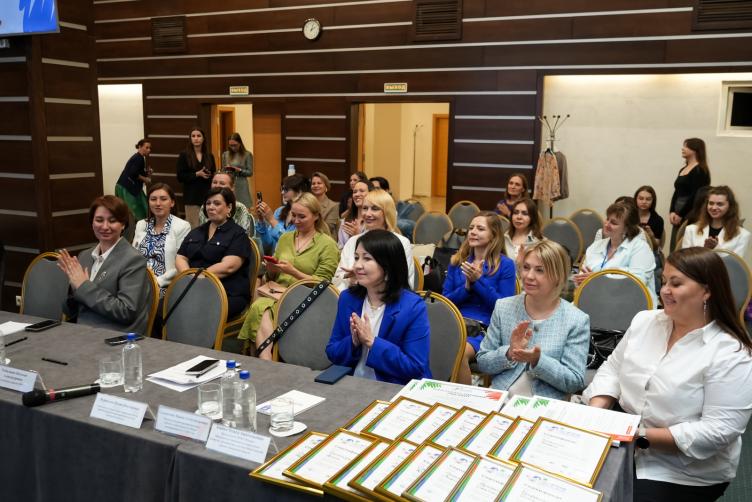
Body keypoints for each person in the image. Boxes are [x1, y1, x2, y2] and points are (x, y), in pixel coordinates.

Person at [584, 247, 752, 502]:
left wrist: (637, 435)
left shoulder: (731, 353)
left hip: (682, 469)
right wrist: (597, 412)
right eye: (664, 281)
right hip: (624, 436)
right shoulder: (645, 321)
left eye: (676, 283)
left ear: (707, 291)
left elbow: (718, 431)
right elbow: (613, 369)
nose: (664, 290)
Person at [475, 240, 590, 398]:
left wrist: (538, 361)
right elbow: (482, 362)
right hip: (500, 398)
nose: (528, 276)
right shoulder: (503, 307)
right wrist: (509, 353)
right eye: (526, 267)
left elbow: (574, 381)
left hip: (543, 405)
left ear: (558, 276)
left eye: (540, 270)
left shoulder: (576, 320)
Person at [240, 192, 339, 359]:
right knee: (261, 306)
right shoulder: (285, 238)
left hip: (307, 297)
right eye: (294, 215)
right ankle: (266, 360)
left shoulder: (327, 244)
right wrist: (272, 269)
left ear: (316, 216)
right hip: (278, 292)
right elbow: (271, 278)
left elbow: (323, 284)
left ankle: (264, 361)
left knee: (260, 307)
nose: (296, 221)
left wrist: (293, 271)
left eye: (302, 216)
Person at [326, 229, 432, 384]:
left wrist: (372, 342)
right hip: (351, 384)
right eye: (356, 258)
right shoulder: (348, 299)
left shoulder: (413, 307)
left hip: (392, 387)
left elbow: (415, 366)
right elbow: (332, 352)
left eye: (367, 258)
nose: (357, 265)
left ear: (388, 266)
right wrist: (353, 342)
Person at [442, 212, 516, 384]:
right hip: (455, 324)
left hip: (485, 329)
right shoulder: (457, 261)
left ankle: (464, 399)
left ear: (494, 235)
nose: (473, 232)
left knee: (458, 353)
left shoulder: (505, 265)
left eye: (480, 229)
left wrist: (478, 281)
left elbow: (503, 307)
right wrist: (466, 288)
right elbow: (445, 302)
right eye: (471, 228)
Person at [59, 195, 149, 333]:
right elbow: (70, 311)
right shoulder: (84, 256)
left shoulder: (133, 260)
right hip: (81, 331)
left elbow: (126, 311)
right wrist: (74, 290)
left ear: (123, 224)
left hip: (114, 335)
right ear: (92, 223)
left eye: (112, 221)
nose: (105, 226)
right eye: (99, 220)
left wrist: (83, 286)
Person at [176, 187, 251, 319]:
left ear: (229, 208)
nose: (211, 207)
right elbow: (181, 257)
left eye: (216, 203)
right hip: (193, 288)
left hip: (226, 293)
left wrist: (198, 278)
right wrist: (188, 276)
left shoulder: (238, 234)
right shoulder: (197, 231)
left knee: (194, 313)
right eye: (208, 203)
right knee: (163, 307)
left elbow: (229, 266)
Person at [574, 201, 658, 306]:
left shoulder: (640, 248)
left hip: (629, 305)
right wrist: (581, 282)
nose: (606, 224)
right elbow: (582, 277)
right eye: (607, 219)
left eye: (613, 223)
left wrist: (598, 279)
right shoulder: (595, 246)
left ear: (627, 228)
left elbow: (636, 284)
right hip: (596, 299)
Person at [333, 189, 414, 291]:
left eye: (375, 209)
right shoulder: (353, 241)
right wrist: (350, 278)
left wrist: (368, 278)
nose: (367, 214)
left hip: (389, 297)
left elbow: (406, 282)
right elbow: (337, 279)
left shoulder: (401, 242)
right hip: (352, 295)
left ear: (386, 212)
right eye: (365, 208)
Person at [132, 183, 191, 295]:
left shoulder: (182, 226)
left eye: (163, 199)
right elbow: (132, 257)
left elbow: (180, 265)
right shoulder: (141, 224)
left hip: (164, 285)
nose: (158, 203)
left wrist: (155, 282)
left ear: (172, 203)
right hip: (138, 282)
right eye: (153, 199)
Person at [681, 185, 750, 262]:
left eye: (720, 204)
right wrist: (705, 250)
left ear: (730, 207)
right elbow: (685, 260)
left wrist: (716, 248)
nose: (714, 208)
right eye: (711, 203)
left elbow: (735, 264)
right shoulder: (690, 230)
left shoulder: (743, 235)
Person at [669, 138, 711, 250]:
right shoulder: (683, 169)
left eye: (686, 146)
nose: (683, 149)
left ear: (695, 150)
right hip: (678, 212)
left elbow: (696, 195)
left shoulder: (700, 170)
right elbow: (677, 191)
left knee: (685, 244)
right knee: (675, 243)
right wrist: (672, 211)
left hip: (690, 213)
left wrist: (681, 214)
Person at [255, 174, 310, 254]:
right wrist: (261, 220)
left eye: (286, 189)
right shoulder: (279, 211)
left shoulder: (304, 215)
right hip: (275, 257)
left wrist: (272, 220)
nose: (282, 192)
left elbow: (292, 243)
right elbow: (268, 245)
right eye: (282, 189)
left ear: (299, 191)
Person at [176, 127, 216, 228]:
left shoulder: (209, 155)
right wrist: (196, 174)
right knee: (194, 226)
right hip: (191, 197)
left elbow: (213, 174)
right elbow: (180, 176)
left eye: (198, 136)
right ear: (190, 139)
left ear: (203, 138)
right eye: (193, 136)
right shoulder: (184, 155)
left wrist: (209, 175)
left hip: (207, 196)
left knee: (208, 225)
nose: (196, 138)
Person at [114, 139, 151, 222]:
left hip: (124, 186)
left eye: (150, 148)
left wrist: (147, 173)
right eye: (147, 147)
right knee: (138, 211)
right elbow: (133, 173)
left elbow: (137, 172)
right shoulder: (139, 158)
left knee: (140, 208)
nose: (149, 150)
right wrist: (146, 179)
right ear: (140, 147)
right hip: (127, 188)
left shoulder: (138, 157)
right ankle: (139, 227)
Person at [504, 198, 543, 266]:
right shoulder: (503, 237)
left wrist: (520, 264)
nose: (519, 217)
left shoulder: (538, 242)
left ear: (532, 218)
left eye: (525, 214)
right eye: (515, 213)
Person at [221, 132, 253, 208]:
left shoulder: (247, 154)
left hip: (241, 184)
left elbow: (250, 172)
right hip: (229, 183)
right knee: (229, 206)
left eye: (235, 145)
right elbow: (223, 170)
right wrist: (226, 170)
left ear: (240, 143)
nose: (233, 148)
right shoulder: (225, 154)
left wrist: (240, 170)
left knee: (243, 207)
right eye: (231, 145)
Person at [338, 179, 371, 248]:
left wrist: (356, 236)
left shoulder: (372, 221)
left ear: (371, 193)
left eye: (361, 191)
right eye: (355, 192)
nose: (357, 194)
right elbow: (340, 248)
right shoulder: (345, 222)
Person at [634, 185, 665, 250]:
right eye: (641, 198)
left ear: (653, 201)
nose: (644, 202)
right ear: (636, 199)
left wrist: (651, 236)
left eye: (648, 199)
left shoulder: (658, 220)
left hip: (649, 250)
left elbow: (656, 247)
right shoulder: (629, 216)